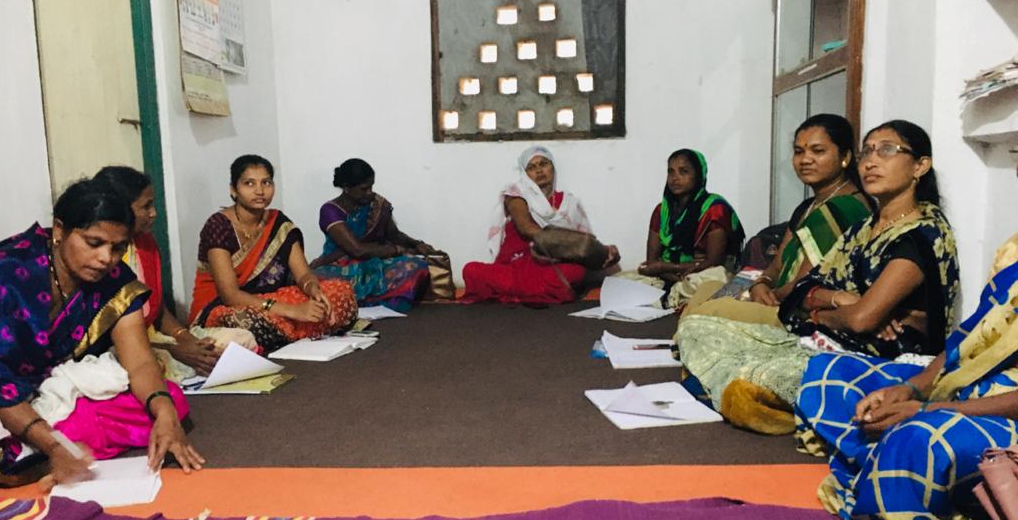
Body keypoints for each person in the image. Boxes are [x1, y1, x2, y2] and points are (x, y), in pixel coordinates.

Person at [676, 120, 959, 434]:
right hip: (824, 340)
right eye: (868, 151)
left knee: (760, 373)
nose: (871, 161)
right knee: (695, 328)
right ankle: (785, 403)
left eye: (887, 151)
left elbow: (862, 321)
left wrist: (825, 315)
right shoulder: (865, 228)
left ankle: (781, 403)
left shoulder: (922, 235)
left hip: (879, 359)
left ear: (920, 166)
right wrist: (840, 300)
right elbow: (808, 287)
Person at [795, 233, 1018, 520]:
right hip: (963, 386)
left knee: (923, 439)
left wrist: (929, 410)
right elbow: (967, 342)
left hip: (1005, 416)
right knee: (829, 373)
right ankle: (886, 454)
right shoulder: (1013, 251)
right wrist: (911, 389)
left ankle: (889, 455)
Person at [0, 179, 204, 489]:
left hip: (47, 393)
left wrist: (164, 412)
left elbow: (140, 363)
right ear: (59, 230)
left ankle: (41, 451)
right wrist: (54, 445)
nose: (107, 258)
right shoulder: (6, 272)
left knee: (168, 398)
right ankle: (45, 450)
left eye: (118, 248)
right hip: (1, 397)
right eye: (94, 243)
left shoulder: (116, 279)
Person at [684, 114, 872, 326]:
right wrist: (761, 283)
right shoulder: (808, 206)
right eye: (799, 151)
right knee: (707, 290)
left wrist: (764, 295)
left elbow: (804, 284)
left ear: (845, 156)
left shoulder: (843, 208)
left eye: (818, 151)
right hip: (777, 295)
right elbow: (777, 265)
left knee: (706, 313)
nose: (805, 159)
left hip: (800, 310)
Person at [94, 166, 258, 381]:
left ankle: (194, 366)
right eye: (146, 207)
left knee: (241, 338)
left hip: (154, 336)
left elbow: (157, 307)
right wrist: (174, 350)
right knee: (144, 362)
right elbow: (106, 335)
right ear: (120, 209)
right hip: (123, 345)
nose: (154, 213)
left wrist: (186, 339)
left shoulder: (146, 244)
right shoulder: (103, 256)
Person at [189, 155, 357, 352]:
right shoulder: (218, 226)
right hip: (224, 307)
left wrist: (314, 290)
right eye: (249, 183)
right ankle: (302, 328)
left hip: (270, 301)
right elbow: (230, 296)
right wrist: (293, 311)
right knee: (241, 322)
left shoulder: (278, 222)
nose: (260, 191)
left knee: (342, 292)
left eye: (266, 182)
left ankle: (289, 330)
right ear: (233, 190)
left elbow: (302, 274)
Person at [462, 146, 619, 304]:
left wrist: (602, 252)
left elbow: (583, 241)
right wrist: (565, 241)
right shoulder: (516, 194)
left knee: (575, 271)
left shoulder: (568, 201)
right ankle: (535, 291)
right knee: (471, 270)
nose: (539, 170)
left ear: (552, 168)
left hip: (548, 264)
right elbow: (526, 228)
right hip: (515, 266)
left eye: (544, 164)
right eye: (531, 167)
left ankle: (520, 291)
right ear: (525, 174)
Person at [311, 158, 440, 312]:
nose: (370, 193)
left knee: (416, 266)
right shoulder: (330, 210)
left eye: (371, 187)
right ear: (346, 188)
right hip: (339, 267)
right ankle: (365, 301)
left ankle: (362, 302)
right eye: (364, 189)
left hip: (376, 262)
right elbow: (357, 250)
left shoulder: (378, 204)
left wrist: (416, 244)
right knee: (321, 283)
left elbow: (394, 234)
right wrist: (397, 250)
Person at [633, 148, 744, 308]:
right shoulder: (661, 211)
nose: (675, 178)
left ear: (698, 175)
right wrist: (671, 271)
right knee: (626, 279)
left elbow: (714, 262)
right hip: (669, 275)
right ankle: (674, 297)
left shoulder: (714, 208)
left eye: (683, 171)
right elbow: (651, 261)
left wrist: (664, 266)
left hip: (700, 274)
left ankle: (669, 298)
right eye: (671, 172)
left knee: (715, 280)